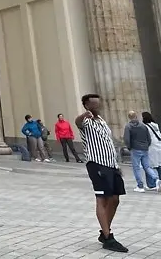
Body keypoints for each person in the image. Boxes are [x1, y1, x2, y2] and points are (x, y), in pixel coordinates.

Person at [77, 93, 128, 253]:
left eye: (98, 104)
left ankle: (104, 231)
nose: (97, 107)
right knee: (102, 199)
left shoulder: (102, 121)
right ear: (86, 105)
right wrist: (84, 115)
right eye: (93, 104)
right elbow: (77, 122)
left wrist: (116, 164)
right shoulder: (85, 121)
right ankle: (108, 237)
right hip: (97, 164)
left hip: (111, 164)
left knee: (115, 199)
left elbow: (108, 142)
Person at [123, 109, 158, 192]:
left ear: (129, 117)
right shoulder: (143, 126)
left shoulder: (128, 126)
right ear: (136, 116)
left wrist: (129, 147)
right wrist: (146, 145)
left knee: (136, 168)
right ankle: (156, 179)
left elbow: (127, 139)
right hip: (144, 148)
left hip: (135, 149)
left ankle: (140, 186)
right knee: (147, 167)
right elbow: (148, 138)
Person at [143, 112, 161, 181]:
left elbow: (147, 138)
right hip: (158, 145)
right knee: (159, 164)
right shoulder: (155, 125)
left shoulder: (145, 127)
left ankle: (152, 183)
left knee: (149, 165)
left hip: (152, 147)